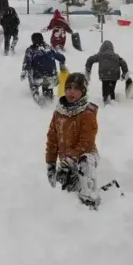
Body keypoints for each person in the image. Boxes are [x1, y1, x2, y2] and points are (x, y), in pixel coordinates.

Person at [46, 72, 101, 209]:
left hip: (86, 157)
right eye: (68, 88)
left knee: (85, 162)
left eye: (76, 89)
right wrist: (51, 163)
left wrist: (68, 162)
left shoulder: (87, 113)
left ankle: (90, 198)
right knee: (68, 195)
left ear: (82, 92)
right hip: (65, 163)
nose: (71, 92)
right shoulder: (59, 113)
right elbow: (52, 139)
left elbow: (86, 142)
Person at [21, 33, 67, 104]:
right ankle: (48, 100)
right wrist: (62, 66)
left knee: (31, 74)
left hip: (39, 78)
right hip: (52, 77)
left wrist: (24, 72)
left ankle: (35, 95)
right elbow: (62, 58)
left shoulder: (30, 50)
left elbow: (27, 64)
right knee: (48, 85)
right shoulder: (49, 48)